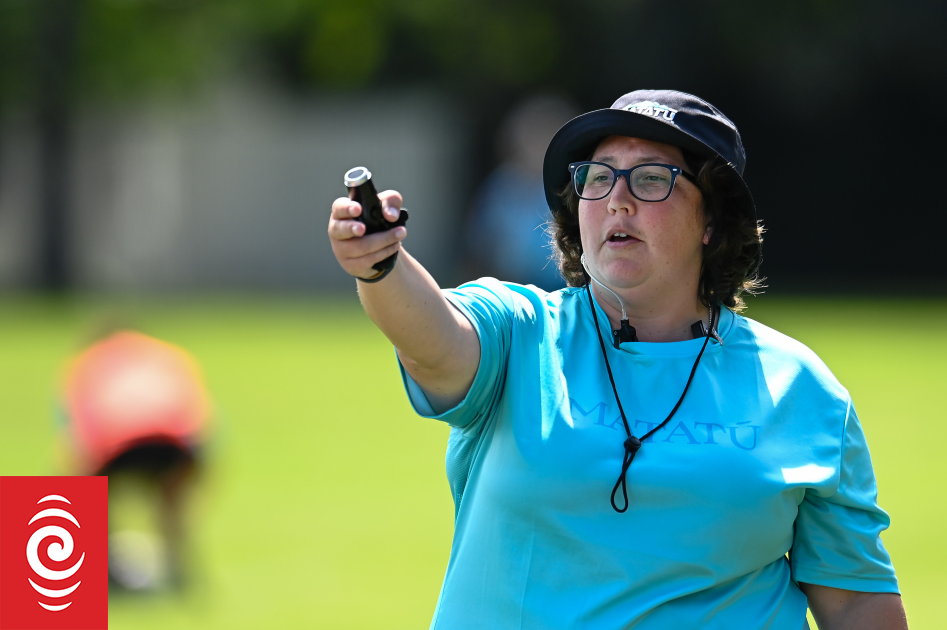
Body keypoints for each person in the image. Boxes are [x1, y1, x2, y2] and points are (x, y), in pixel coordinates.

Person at [327, 89, 907, 629]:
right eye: (598, 179)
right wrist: (381, 266)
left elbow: (856, 600)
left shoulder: (801, 388)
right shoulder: (521, 331)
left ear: (711, 220)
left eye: (652, 180)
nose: (617, 201)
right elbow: (434, 340)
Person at [61, 329, 210, 592]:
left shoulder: (88, 362)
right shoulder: (166, 356)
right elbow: (197, 416)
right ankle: (179, 571)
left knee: (83, 495)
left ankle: (88, 575)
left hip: (117, 438)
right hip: (174, 440)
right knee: (171, 504)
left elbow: (77, 432)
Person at [464, 94, 578, 289]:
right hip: (512, 291)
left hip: (569, 289)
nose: (538, 142)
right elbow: (480, 247)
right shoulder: (501, 187)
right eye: (533, 133)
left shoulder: (576, 185)